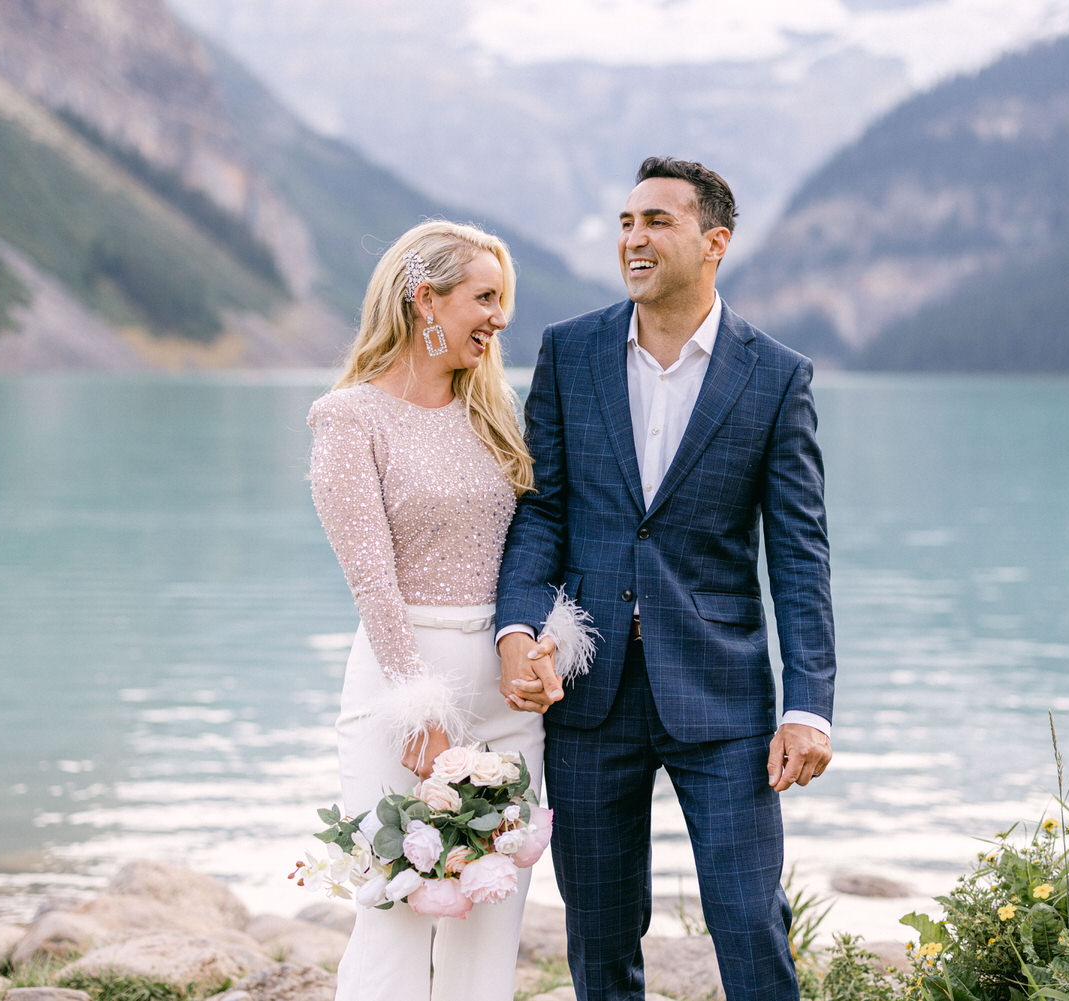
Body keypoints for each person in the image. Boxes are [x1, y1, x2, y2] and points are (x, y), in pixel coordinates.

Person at [495, 157, 837, 1001]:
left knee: (749, 920)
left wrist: (808, 704)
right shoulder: (568, 351)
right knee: (600, 930)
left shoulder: (776, 376)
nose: (633, 238)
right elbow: (542, 512)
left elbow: (799, 551)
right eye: (625, 222)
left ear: (715, 241)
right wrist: (514, 629)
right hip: (590, 693)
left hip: (722, 698)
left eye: (656, 221)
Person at [306, 220, 585, 1001]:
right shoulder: (349, 420)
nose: (500, 318)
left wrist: (541, 644)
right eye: (484, 298)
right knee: (393, 907)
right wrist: (416, 706)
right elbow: (372, 582)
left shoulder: (495, 414)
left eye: (505, 300)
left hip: (505, 703)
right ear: (425, 299)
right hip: (403, 689)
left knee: (489, 918)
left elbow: (535, 542)